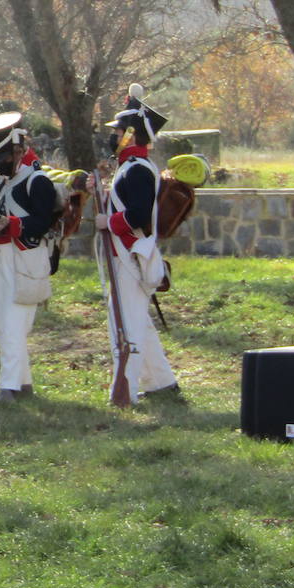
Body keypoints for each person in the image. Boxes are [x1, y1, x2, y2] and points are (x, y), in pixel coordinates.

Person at [93, 86, 181, 403]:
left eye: (118, 131)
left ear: (130, 134)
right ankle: (162, 385)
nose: (113, 136)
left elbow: (139, 214)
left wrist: (110, 222)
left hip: (130, 254)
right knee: (138, 323)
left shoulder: (138, 169)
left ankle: (124, 393)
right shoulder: (130, 168)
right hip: (127, 253)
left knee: (126, 327)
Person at [0, 111, 58, 403]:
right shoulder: (4, 182)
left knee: (14, 324)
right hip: (1, 256)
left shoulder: (37, 181)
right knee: (4, 323)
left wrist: (13, 225)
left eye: (3, 157)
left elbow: (41, 222)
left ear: (18, 150)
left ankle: (8, 386)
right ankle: (23, 384)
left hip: (25, 258)